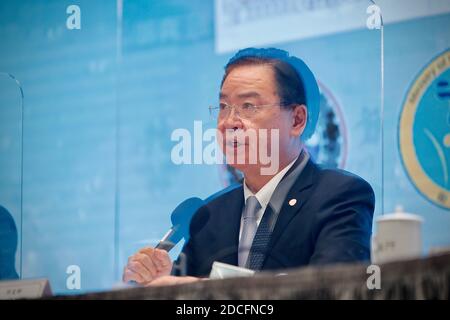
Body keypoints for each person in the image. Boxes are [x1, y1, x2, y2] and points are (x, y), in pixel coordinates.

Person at [123, 48, 375, 286]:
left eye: (249, 106)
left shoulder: (340, 196)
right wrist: (159, 283)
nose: (229, 122)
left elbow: (335, 290)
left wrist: (207, 294)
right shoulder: (209, 216)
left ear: (297, 120)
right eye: (223, 107)